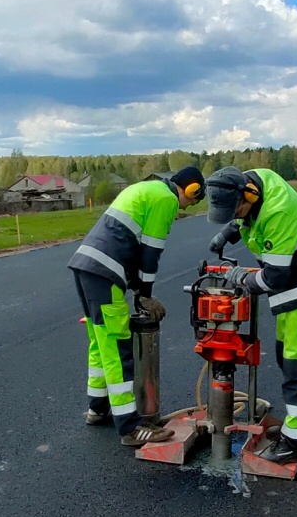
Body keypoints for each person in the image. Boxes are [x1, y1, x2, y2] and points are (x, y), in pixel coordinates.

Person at [205, 167, 297, 463]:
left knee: (296, 361)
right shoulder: (254, 181)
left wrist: (241, 280)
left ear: (247, 194)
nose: (234, 216)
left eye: (233, 211)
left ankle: (295, 440)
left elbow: (275, 277)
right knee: (284, 354)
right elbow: (246, 217)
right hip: (291, 283)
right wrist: (227, 232)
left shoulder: (279, 212)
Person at [68, 166, 206, 447]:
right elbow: (150, 252)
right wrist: (145, 294)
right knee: (119, 348)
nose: (184, 209)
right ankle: (130, 427)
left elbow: (127, 240)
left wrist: (135, 288)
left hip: (87, 266)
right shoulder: (166, 199)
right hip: (106, 273)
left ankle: (98, 408)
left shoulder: (146, 189)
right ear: (191, 191)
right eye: (192, 202)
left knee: (100, 341)